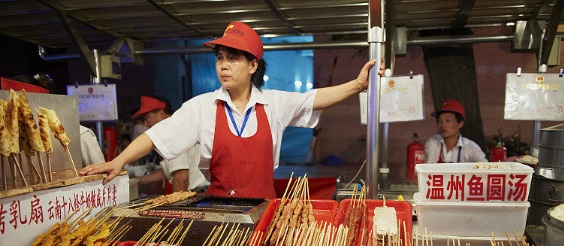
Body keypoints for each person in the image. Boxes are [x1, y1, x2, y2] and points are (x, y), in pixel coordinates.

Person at [80, 21, 384, 198]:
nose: (223, 65)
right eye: (220, 57)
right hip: (220, 212)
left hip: (265, 210)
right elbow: (157, 135)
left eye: (233, 58)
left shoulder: (274, 103)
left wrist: (358, 85)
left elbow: (315, 98)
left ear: (252, 65)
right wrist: (118, 160)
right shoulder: (203, 107)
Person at [131, 95, 208, 192]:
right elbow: (169, 171)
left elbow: (181, 178)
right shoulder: (179, 126)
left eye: (147, 118)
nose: (146, 124)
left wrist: (175, 206)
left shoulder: (174, 133)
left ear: (161, 113)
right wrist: (141, 180)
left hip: (197, 196)